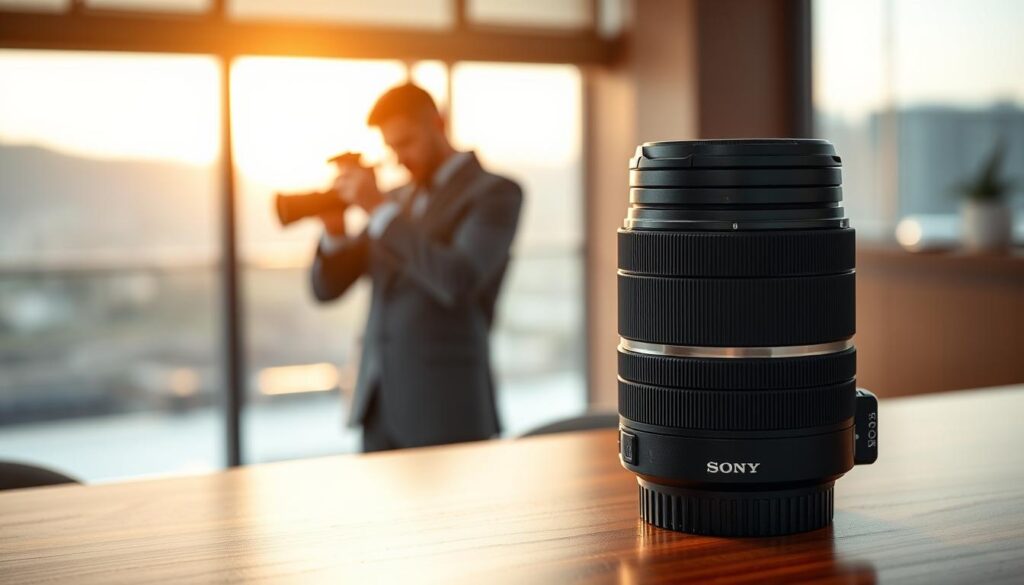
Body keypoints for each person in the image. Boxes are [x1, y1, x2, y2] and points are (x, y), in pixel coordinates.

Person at [311, 83, 523, 452]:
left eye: (406, 142)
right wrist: (334, 229)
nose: (398, 158)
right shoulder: (395, 201)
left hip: (446, 408)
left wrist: (378, 210)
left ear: (438, 123)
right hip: (377, 405)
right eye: (391, 147)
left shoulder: (495, 193)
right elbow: (327, 289)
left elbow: (458, 279)